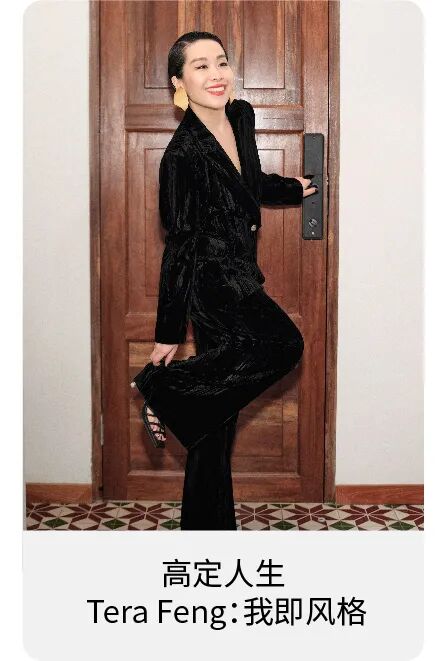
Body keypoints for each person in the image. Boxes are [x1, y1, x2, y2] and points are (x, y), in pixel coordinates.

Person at [131, 31, 318, 530]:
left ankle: (206, 532)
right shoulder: (181, 155)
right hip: (212, 285)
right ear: (179, 82)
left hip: (240, 272)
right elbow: (179, 244)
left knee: (213, 421)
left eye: (221, 62)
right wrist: (169, 330)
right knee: (284, 344)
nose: (216, 75)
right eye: (200, 66)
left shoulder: (241, 116)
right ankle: (165, 389)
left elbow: (247, 181)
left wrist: (291, 188)